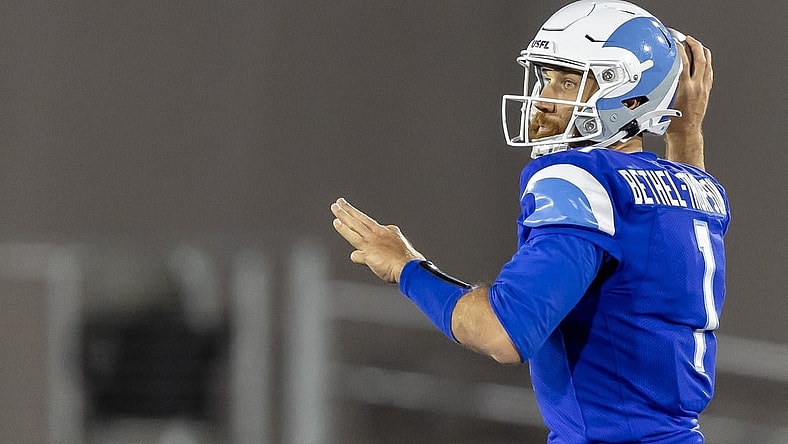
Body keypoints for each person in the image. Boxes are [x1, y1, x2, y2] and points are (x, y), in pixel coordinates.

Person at [330, 1, 727, 443]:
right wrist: (685, 130)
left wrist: (407, 268)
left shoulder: (580, 179)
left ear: (629, 97)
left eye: (568, 82)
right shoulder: (699, 190)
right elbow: (675, 192)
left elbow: (503, 332)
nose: (544, 98)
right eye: (545, 77)